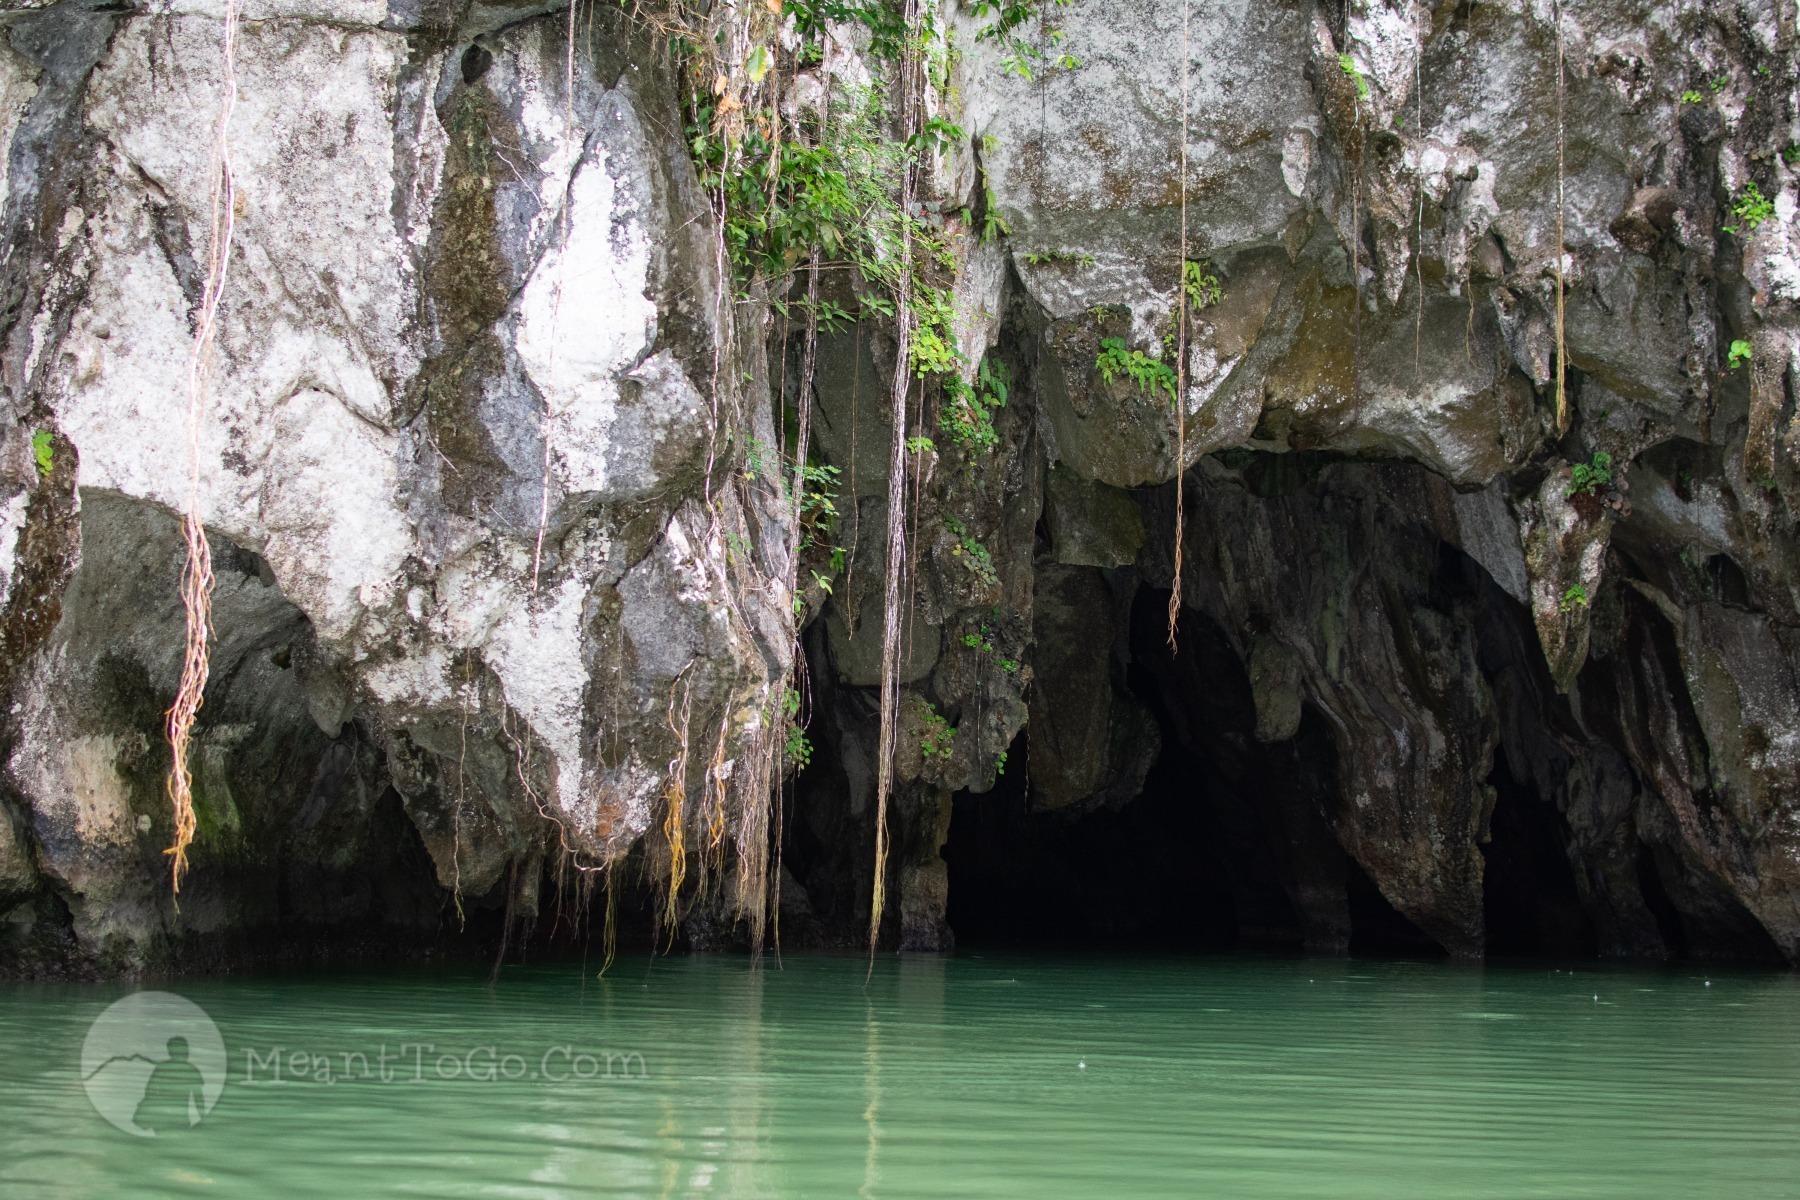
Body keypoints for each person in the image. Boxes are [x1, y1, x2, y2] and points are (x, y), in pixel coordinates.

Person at [134, 1036, 206, 1135]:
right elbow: (198, 1098)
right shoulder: (192, 1070)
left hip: (161, 1120)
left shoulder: (161, 1068)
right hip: (181, 1120)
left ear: (170, 1052)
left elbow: (149, 1090)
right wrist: (204, 1118)